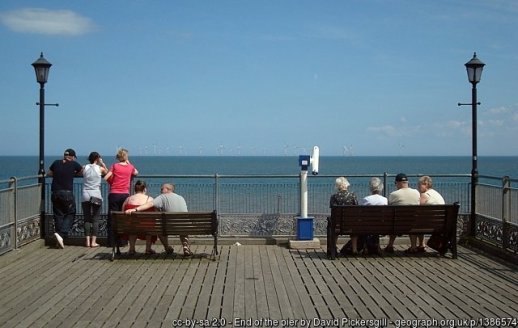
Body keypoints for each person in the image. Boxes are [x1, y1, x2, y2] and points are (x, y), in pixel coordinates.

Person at [125, 183, 187, 255]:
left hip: (168, 228)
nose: (160, 191)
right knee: (182, 227)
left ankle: (167, 248)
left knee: (160, 229)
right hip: (184, 226)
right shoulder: (181, 197)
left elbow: (150, 204)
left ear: (167, 189)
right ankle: (185, 246)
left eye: (162, 189)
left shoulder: (162, 197)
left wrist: (135, 209)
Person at [47, 148, 83, 248]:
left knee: (58, 215)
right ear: (72, 157)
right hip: (67, 193)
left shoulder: (56, 162)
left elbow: (49, 173)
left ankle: (59, 239)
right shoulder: (73, 164)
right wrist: (73, 173)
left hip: (55, 192)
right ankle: (62, 234)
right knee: (71, 212)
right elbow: (82, 172)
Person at [104, 148, 138, 247]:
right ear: (126, 157)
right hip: (125, 195)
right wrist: (129, 162)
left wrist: (112, 182)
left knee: (112, 218)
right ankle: (123, 241)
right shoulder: (130, 167)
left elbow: (106, 177)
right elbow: (136, 172)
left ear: (118, 157)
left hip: (114, 194)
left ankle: (111, 242)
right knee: (123, 218)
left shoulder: (114, 166)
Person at [384, 173, 420, 253]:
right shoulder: (416, 192)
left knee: (393, 220)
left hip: (397, 224)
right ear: (407, 182)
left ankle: (390, 245)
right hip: (413, 223)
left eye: (395, 183)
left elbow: (389, 207)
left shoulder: (394, 194)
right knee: (411, 220)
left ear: (398, 183)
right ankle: (413, 247)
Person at [122, 180, 157, 254]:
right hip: (146, 227)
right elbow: (155, 213)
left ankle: (131, 249)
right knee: (149, 226)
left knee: (132, 226)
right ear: (145, 189)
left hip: (132, 226)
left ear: (135, 189)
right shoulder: (150, 199)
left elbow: (122, 212)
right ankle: (148, 249)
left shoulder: (128, 199)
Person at [81, 152, 108, 248]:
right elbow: (107, 173)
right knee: (95, 219)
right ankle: (93, 242)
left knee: (87, 218)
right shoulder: (100, 168)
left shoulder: (84, 167)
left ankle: (87, 241)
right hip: (96, 194)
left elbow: (80, 173)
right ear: (97, 158)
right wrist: (102, 163)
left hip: (85, 194)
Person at [414, 175, 446, 251]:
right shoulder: (436, 193)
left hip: (430, 224)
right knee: (420, 220)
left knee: (415, 221)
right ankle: (421, 244)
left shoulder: (425, 195)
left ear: (426, 184)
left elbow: (417, 208)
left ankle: (415, 246)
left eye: (419, 185)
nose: (418, 187)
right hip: (441, 223)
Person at [329, 177, 358, 254]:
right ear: (347, 185)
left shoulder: (334, 197)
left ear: (337, 186)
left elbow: (333, 211)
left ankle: (334, 247)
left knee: (334, 224)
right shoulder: (353, 196)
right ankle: (354, 249)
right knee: (354, 229)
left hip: (338, 224)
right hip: (351, 224)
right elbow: (356, 209)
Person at [359, 177, 388, 254]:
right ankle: (377, 246)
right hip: (381, 225)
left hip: (367, 225)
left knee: (366, 222)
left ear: (370, 187)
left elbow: (361, 213)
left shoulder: (366, 199)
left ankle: (365, 247)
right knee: (377, 223)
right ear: (381, 187)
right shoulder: (384, 200)